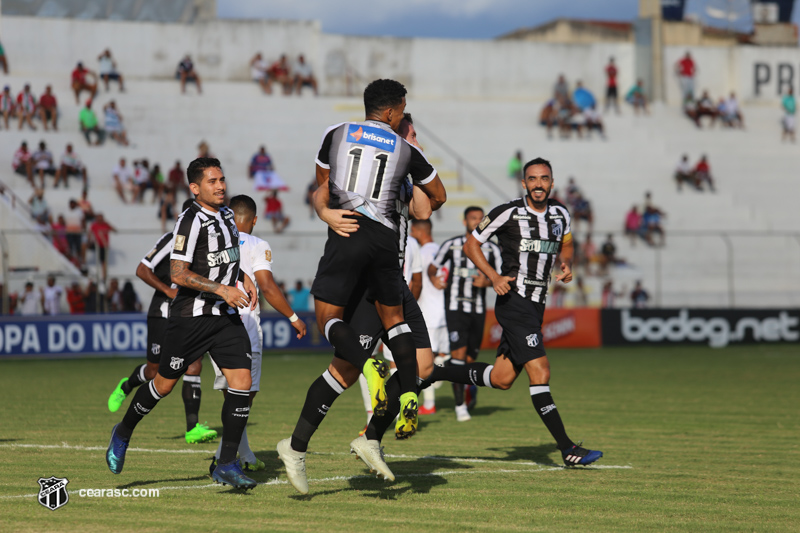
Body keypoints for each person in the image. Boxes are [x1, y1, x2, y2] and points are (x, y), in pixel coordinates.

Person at [275, 83, 446, 493]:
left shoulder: (396, 160)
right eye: (406, 118)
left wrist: (413, 152)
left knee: (417, 368)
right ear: (393, 115)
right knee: (345, 369)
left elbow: (422, 209)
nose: (409, 126)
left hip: (388, 273)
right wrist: (323, 210)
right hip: (375, 270)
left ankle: (369, 437)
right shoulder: (398, 156)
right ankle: (300, 446)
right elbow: (327, 190)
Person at [432, 157, 603, 468]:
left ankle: (435, 371)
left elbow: (566, 243)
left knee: (502, 378)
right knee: (541, 372)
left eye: (544, 178)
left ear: (552, 183)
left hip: (537, 303)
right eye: (533, 179)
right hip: (514, 301)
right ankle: (567, 449)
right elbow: (472, 245)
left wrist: (567, 263)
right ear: (524, 184)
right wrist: (494, 277)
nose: (539, 184)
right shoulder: (508, 212)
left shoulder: (560, 213)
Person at [105, 157, 261, 490]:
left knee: (242, 382)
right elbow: (177, 273)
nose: (220, 186)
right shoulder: (189, 222)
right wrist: (221, 288)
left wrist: (245, 277)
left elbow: (228, 259)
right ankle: (123, 431)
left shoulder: (230, 217)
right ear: (195, 188)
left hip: (224, 318)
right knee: (163, 385)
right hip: (191, 319)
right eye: (212, 181)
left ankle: (227, 463)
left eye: (221, 179)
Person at [208, 194, 307, 474]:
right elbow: (268, 286)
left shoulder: (217, 242)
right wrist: (294, 316)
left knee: (232, 394)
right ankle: (222, 458)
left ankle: (245, 455)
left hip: (214, 324)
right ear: (254, 220)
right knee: (244, 396)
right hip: (244, 326)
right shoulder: (257, 244)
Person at [107, 199, 218, 445]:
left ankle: (192, 427)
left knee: (194, 364)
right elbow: (141, 269)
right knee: (155, 371)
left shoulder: (208, 245)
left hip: (189, 314)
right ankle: (127, 385)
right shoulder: (171, 240)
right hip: (162, 313)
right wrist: (168, 292)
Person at [429, 206, 501, 421]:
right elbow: (433, 268)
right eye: (473, 218)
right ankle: (460, 407)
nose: (476, 221)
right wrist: (434, 278)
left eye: (480, 219)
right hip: (455, 309)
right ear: (465, 221)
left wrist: (487, 282)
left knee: (469, 359)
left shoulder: (492, 249)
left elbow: (503, 277)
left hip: (478, 311)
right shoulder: (452, 245)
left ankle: (466, 385)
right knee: (459, 358)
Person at [410, 218, 448, 415]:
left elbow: (417, 282)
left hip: (428, 311)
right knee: (440, 354)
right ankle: (447, 367)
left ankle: (430, 404)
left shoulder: (421, 253)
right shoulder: (441, 250)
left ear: (417, 231)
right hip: (443, 309)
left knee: (425, 362)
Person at [90, 213, 116, 281]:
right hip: (96, 244)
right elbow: (90, 232)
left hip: (103, 245)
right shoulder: (94, 225)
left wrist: (107, 225)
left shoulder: (105, 224)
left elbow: (114, 230)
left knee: (103, 261)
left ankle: (104, 276)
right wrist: (90, 240)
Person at [64, 199, 85, 266]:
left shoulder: (79, 211)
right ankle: (71, 261)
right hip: (69, 232)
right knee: (70, 247)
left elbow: (83, 220)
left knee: (78, 247)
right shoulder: (66, 211)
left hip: (77, 232)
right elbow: (65, 222)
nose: (72, 205)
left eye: (73, 204)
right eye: (71, 204)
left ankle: (79, 261)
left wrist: (83, 229)